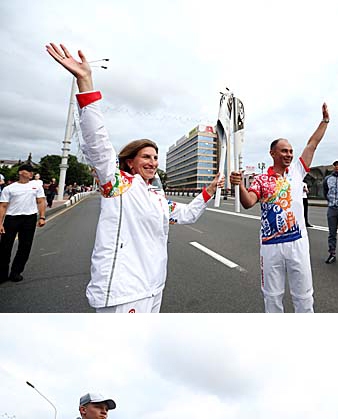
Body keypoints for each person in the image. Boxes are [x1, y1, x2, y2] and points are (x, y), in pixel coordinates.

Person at [46, 43, 225, 313]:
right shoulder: (118, 185)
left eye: (155, 157)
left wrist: (209, 190)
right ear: (130, 161)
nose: (153, 163)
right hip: (123, 292)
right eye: (146, 157)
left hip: (154, 288)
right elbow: (98, 144)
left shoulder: (156, 198)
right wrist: (86, 82)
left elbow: (187, 215)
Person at [230, 104, 330, 313]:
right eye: (284, 151)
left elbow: (312, 144)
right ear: (272, 153)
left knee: (304, 295)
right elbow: (248, 202)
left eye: (291, 151)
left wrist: (325, 121)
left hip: (297, 243)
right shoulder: (261, 179)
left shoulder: (296, 171)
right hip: (271, 246)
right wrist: (239, 184)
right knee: (272, 297)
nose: (289, 154)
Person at [0, 163, 46, 283]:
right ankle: (2, 274)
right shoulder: (9, 188)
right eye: (28, 171)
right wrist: (0, 223)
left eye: (32, 172)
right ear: (21, 172)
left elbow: (41, 201)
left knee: (25, 246)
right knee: (5, 246)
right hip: (11, 219)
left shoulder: (36, 186)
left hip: (29, 219)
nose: (31, 173)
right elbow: (3, 206)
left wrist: (42, 217)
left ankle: (16, 272)